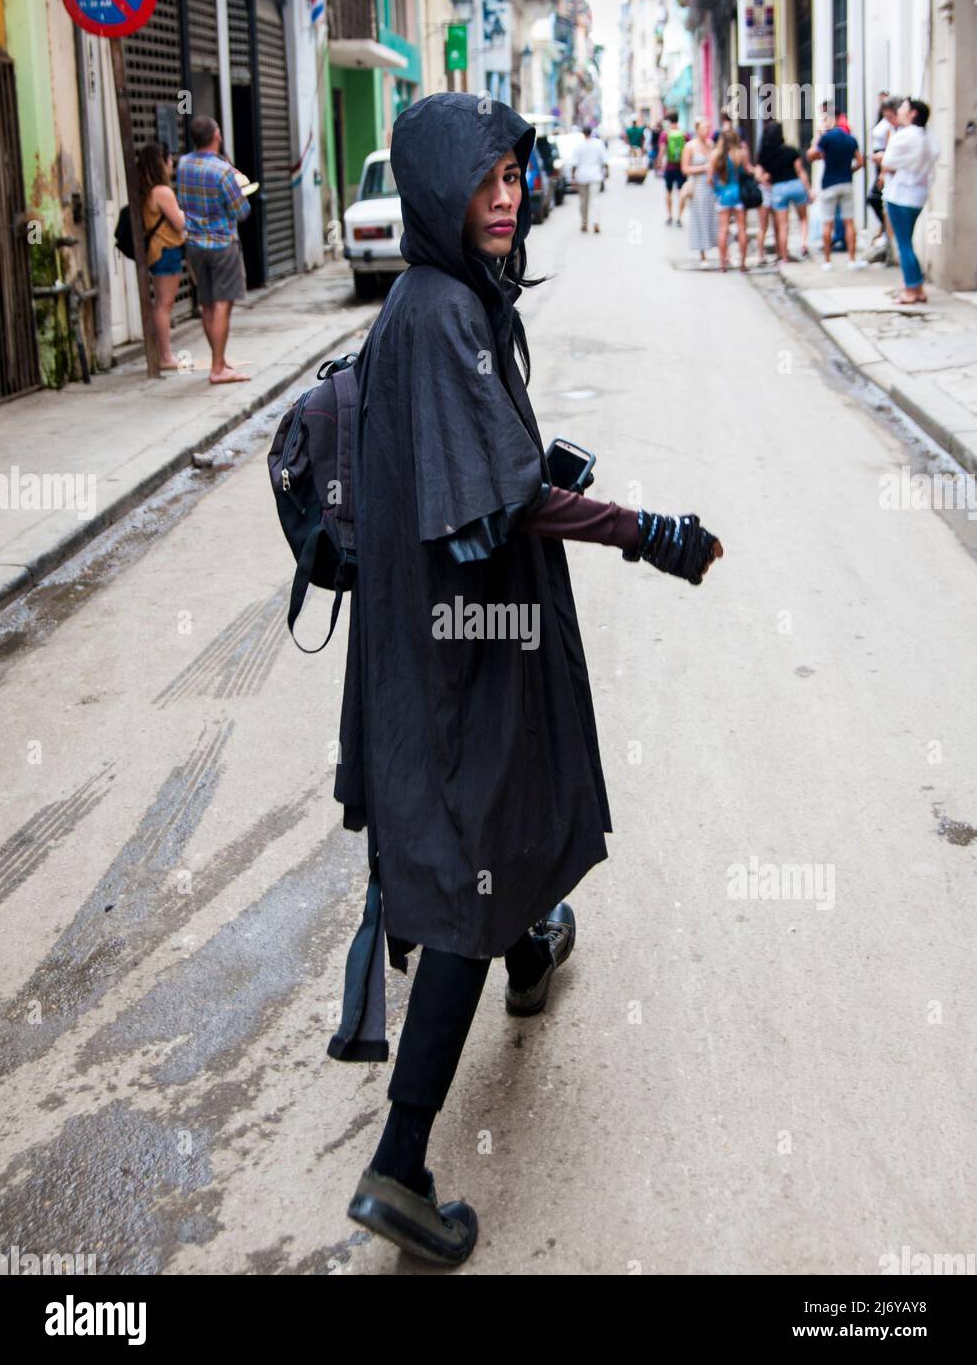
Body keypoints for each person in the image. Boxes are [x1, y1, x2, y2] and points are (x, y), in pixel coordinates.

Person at [331, 91, 722, 1267]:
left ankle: (534, 940)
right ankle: (398, 1166)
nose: (505, 200)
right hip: (461, 645)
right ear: (437, 191)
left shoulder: (444, 300)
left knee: (500, 814)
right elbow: (506, 501)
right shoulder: (441, 309)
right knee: (463, 858)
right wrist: (648, 528)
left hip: (463, 627)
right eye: (482, 181)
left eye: (514, 176)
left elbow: (473, 468)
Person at [176, 115, 252, 383]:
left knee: (206, 303)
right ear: (217, 135)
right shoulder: (222, 171)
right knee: (222, 304)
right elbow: (241, 211)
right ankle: (218, 368)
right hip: (221, 243)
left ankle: (217, 360)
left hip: (194, 244)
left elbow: (181, 201)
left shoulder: (183, 164)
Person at [882, 97, 939, 305]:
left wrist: (882, 159)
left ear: (913, 113)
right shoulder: (927, 135)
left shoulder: (904, 136)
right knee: (908, 242)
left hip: (900, 195)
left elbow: (888, 162)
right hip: (918, 195)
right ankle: (918, 288)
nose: (900, 111)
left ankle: (910, 289)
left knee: (904, 244)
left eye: (904, 108)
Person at [137, 141, 187, 370]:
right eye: (168, 160)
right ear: (161, 162)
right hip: (167, 251)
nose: (172, 165)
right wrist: (186, 215)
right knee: (164, 305)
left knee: (161, 304)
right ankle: (166, 356)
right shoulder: (162, 191)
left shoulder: (146, 191)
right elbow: (179, 222)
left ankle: (161, 354)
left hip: (157, 252)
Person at [807, 111, 865, 270]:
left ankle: (827, 261)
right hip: (846, 182)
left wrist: (818, 138)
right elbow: (860, 162)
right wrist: (850, 170)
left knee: (828, 223)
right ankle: (852, 260)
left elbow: (811, 155)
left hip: (829, 184)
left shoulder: (827, 138)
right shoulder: (851, 139)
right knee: (849, 222)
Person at [756, 120, 813, 263]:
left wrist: (767, 184)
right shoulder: (791, 150)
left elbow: (759, 175)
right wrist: (809, 190)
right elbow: (800, 171)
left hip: (778, 189)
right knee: (803, 219)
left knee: (783, 226)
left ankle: (784, 257)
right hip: (795, 185)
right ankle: (803, 244)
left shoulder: (764, 154)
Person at [709, 128, 749, 272]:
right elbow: (747, 171)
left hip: (723, 194)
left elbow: (710, 179)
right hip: (738, 193)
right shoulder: (741, 154)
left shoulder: (715, 155)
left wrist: (718, 190)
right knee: (742, 229)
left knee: (723, 230)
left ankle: (722, 264)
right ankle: (743, 264)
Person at [681, 116, 718, 265]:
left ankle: (719, 250)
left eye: (708, 127)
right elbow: (685, 169)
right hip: (698, 186)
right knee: (700, 218)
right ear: (697, 130)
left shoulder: (711, 144)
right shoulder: (690, 146)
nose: (707, 130)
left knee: (714, 218)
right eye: (703, 127)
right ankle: (702, 254)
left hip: (713, 186)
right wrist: (704, 168)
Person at [868, 97, 900, 261]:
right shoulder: (891, 128)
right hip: (884, 167)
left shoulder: (902, 131)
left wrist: (884, 162)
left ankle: (887, 236)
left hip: (892, 171)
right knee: (877, 199)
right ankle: (886, 236)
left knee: (876, 198)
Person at [571, 124, 608, 232]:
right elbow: (604, 160)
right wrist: (606, 172)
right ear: (591, 132)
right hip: (595, 176)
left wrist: (573, 177)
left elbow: (574, 164)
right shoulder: (598, 144)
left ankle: (584, 222)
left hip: (582, 177)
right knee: (595, 200)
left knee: (583, 201)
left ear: (583, 132)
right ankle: (596, 222)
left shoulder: (578, 146)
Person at [661, 111, 688, 226]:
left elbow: (662, 150)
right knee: (681, 192)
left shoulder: (665, 134)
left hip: (670, 167)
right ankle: (680, 218)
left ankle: (670, 216)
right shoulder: (684, 134)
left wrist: (659, 161)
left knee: (668, 191)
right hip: (681, 167)